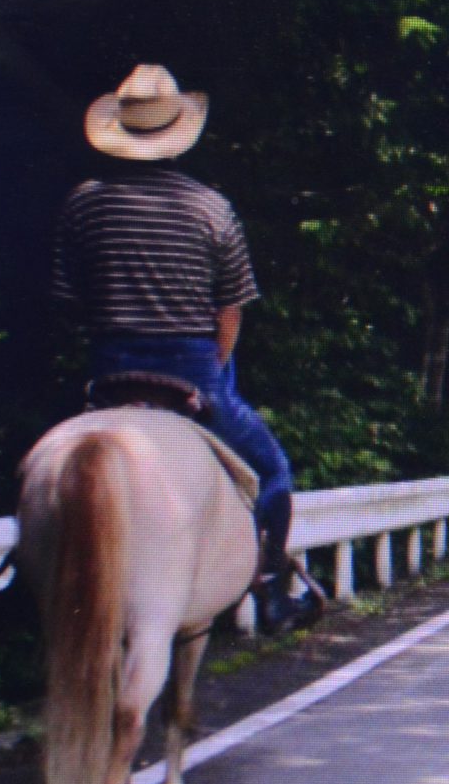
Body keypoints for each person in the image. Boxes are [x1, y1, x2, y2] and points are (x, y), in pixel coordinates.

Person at [52, 63, 320, 636]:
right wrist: (213, 376)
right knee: (273, 471)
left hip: (109, 370)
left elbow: (70, 305)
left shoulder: (84, 204)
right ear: (179, 131)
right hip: (192, 371)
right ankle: (271, 590)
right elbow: (230, 313)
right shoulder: (211, 209)